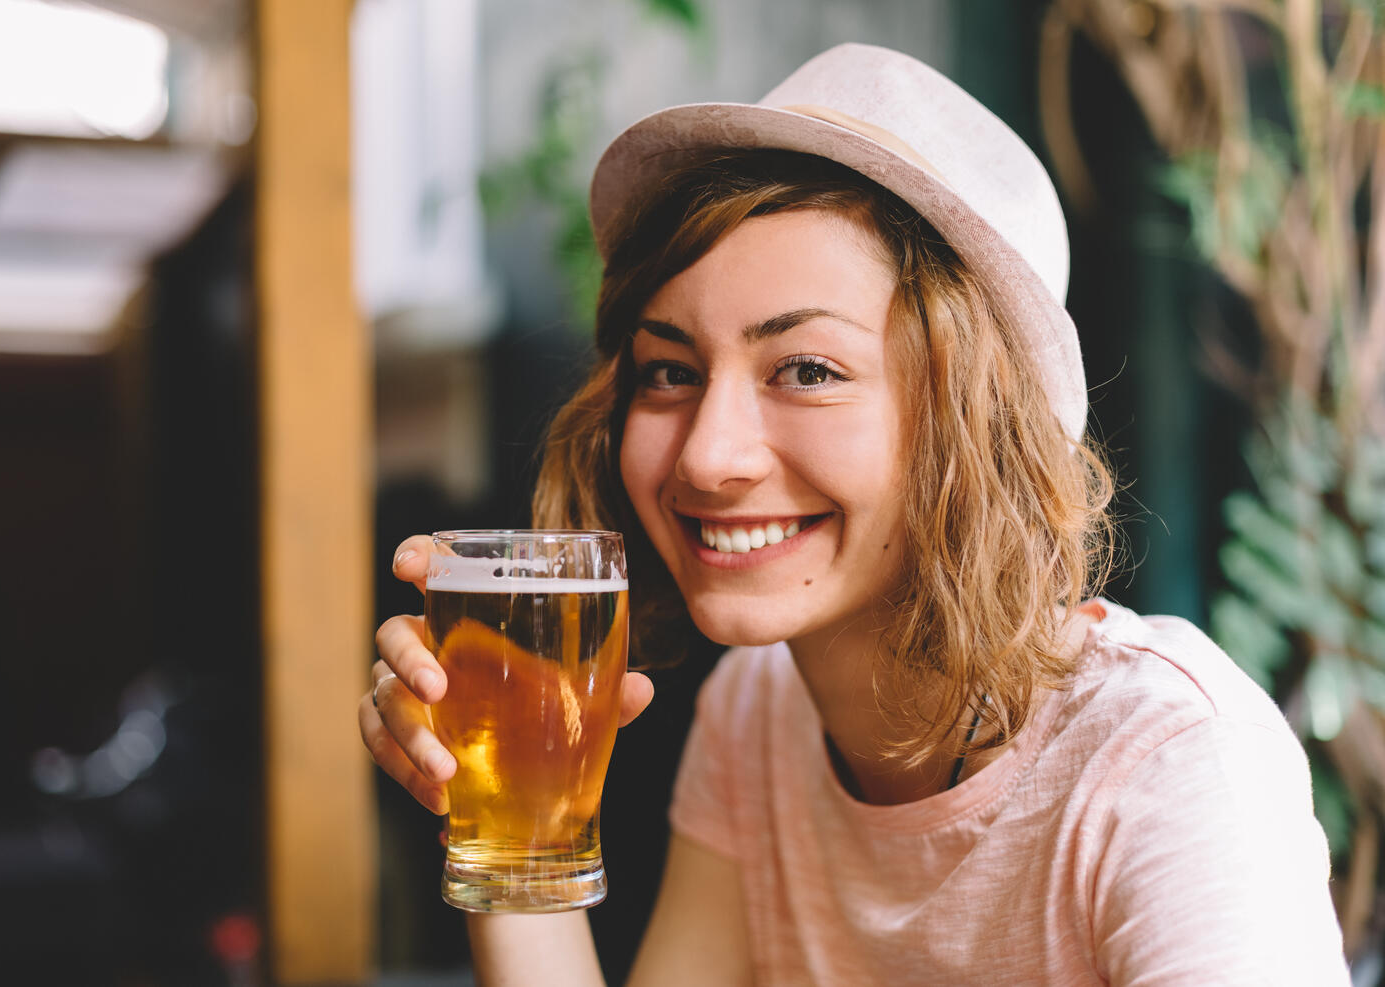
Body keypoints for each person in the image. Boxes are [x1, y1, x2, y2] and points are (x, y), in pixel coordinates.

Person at [358, 44, 1349, 985]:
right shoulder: (759, 715)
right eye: (668, 371)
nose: (706, 453)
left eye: (806, 371)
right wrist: (500, 816)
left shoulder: (1167, 765)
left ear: (970, 424)